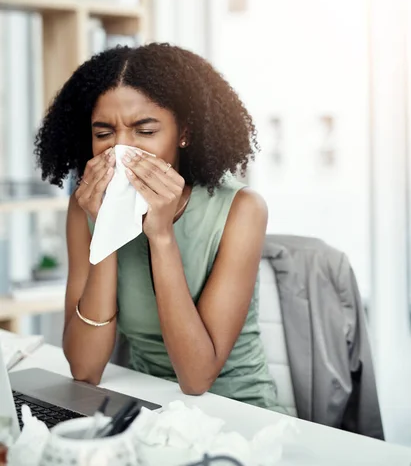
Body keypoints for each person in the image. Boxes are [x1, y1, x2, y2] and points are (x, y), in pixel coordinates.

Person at [35, 42, 281, 412]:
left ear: (183, 132)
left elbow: (197, 378)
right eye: (104, 134)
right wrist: (107, 228)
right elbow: (85, 369)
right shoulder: (84, 208)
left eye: (144, 131)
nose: (120, 149)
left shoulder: (242, 209)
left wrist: (161, 236)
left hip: (236, 410)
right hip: (144, 405)